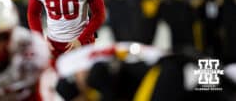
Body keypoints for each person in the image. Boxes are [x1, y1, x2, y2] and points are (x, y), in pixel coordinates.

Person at [55, 42, 230, 101]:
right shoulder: (96, 69)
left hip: (163, 81)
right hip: (167, 68)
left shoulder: (97, 76)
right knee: (222, 78)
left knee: (219, 85)